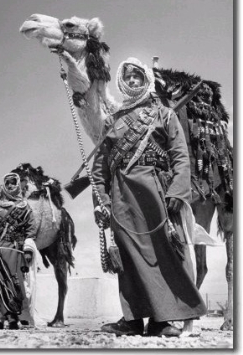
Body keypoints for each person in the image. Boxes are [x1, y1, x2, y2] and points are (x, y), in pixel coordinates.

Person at [92, 57, 207, 337]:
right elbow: (99, 169)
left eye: (138, 77)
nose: (132, 81)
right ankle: (131, 320)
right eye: (128, 77)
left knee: (162, 255)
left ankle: (162, 320)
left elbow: (180, 155)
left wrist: (178, 191)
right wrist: (102, 202)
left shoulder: (163, 114)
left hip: (156, 193)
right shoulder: (113, 122)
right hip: (121, 196)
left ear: (146, 80)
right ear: (122, 81)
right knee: (129, 257)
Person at [0, 173, 38, 330]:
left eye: (14, 182)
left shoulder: (24, 207)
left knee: (15, 283)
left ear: (18, 185)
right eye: (8, 183)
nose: (11, 185)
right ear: (4, 185)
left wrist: (27, 250)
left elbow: (31, 229)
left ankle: (16, 319)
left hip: (15, 251)